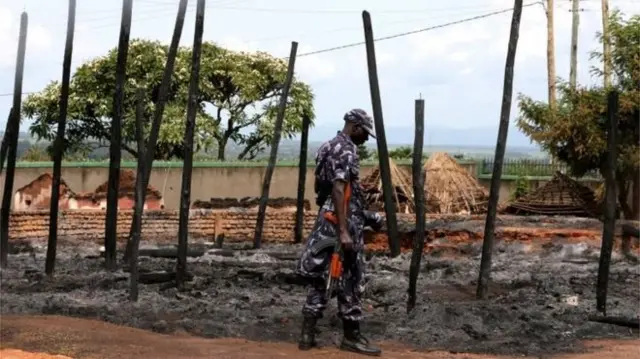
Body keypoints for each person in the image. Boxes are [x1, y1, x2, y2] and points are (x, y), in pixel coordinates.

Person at [296, 108, 383, 356]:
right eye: (364, 133)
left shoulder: (326, 146)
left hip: (327, 219)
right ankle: (351, 337)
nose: (365, 139)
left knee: (323, 276)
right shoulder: (347, 150)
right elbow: (338, 187)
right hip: (342, 224)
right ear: (354, 127)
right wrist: (344, 230)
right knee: (352, 278)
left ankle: (306, 335)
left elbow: (319, 186)